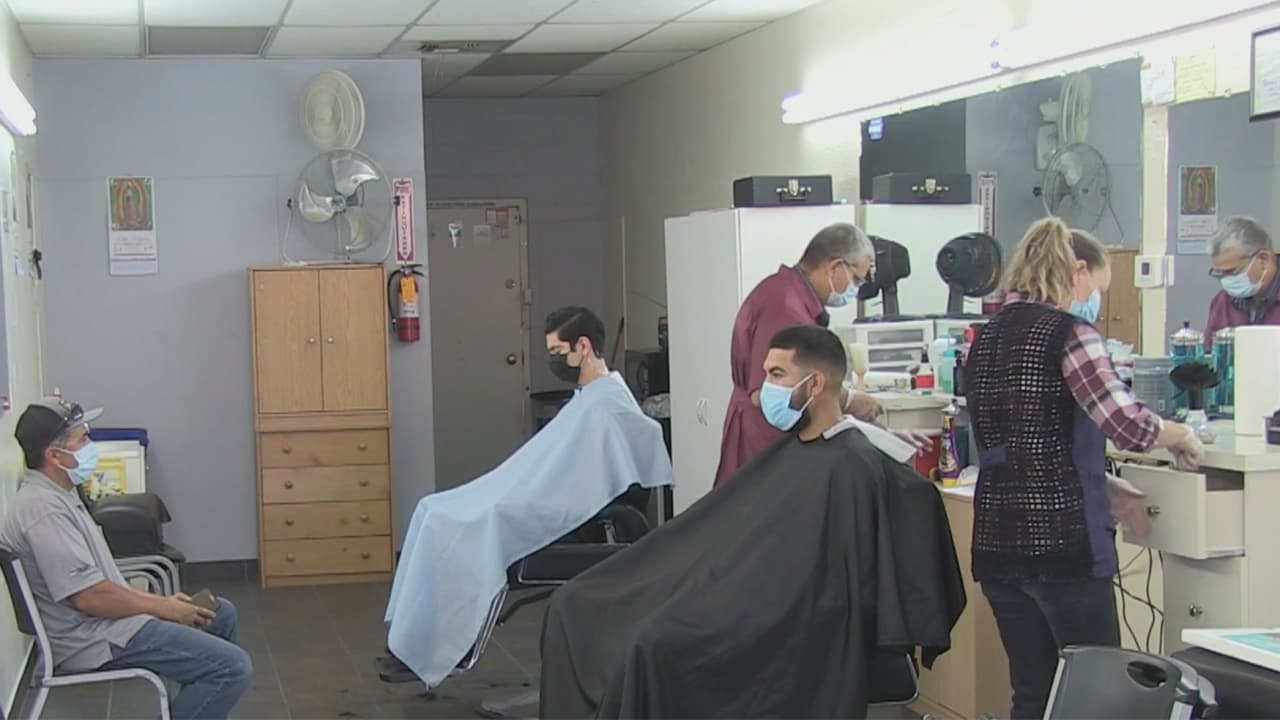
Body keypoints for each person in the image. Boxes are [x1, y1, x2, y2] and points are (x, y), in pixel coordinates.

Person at [541, 325, 965, 719]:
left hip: (790, 618)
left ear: (816, 384)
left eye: (777, 374)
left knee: (650, 645)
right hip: (745, 591)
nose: (765, 389)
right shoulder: (800, 451)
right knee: (574, 604)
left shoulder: (850, 466)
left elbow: (825, 586)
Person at [965, 218, 1205, 719]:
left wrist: (1100, 481)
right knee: (1098, 699)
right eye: (1097, 287)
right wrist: (1181, 434)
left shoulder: (986, 337)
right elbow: (1128, 425)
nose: (1095, 300)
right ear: (1077, 270)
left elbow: (1016, 441)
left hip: (997, 546)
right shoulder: (1069, 333)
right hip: (1062, 547)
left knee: (1033, 694)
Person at [383, 306, 674, 687]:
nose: (553, 361)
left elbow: (601, 471)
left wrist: (516, 497)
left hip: (555, 510)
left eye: (557, 352)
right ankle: (410, 643)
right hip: (530, 494)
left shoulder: (608, 404)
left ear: (583, 347)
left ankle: (431, 651)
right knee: (430, 509)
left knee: (453, 525)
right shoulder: (591, 396)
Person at [0, 398, 250, 720]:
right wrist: (163, 607)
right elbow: (90, 597)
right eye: (82, 439)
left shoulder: (60, 495)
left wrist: (162, 602)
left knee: (220, 614)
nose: (90, 445)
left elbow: (101, 582)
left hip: (106, 622)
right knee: (232, 668)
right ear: (54, 455)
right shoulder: (43, 511)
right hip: (92, 638)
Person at [715, 222, 902, 487]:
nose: (856, 289)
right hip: (764, 445)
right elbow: (768, 393)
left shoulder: (787, 295)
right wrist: (847, 400)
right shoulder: (785, 307)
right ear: (835, 267)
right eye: (857, 279)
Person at [1204, 216, 1280, 349]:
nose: (1226, 281)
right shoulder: (1222, 302)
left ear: (1263, 259)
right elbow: (1210, 354)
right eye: (1219, 274)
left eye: (1232, 271)